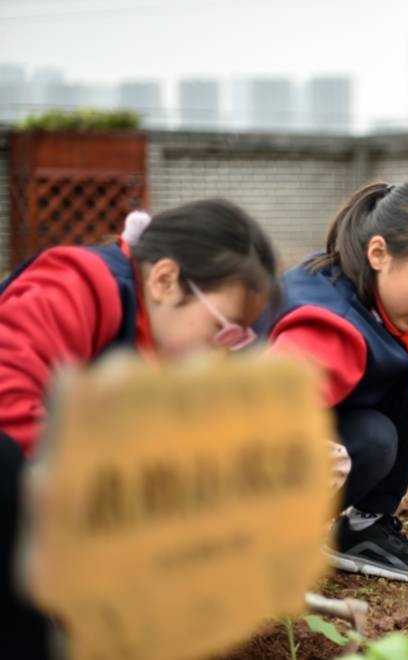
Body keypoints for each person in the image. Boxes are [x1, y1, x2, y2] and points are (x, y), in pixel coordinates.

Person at [0, 199, 280, 658]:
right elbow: (9, 405)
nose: (221, 353)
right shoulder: (77, 286)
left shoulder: (160, 349)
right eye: (223, 330)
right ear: (165, 280)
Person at [265, 179, 408, 583]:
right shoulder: (330, 327)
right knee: (369, 439)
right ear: (379, 253)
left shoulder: (390, 315)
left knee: (404, 395)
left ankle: (363, 529)